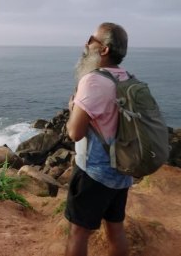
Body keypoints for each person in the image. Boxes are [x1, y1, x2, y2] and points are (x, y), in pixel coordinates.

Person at [64, 22, 132, 256]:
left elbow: (75, 133)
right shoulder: (126, 78)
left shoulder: (92, 80)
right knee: (116, 230)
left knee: (78, 233)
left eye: (91, 39)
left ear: (104, 50)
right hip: (123, 169)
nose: (86, 43)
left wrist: (73, 107)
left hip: (94, 172)